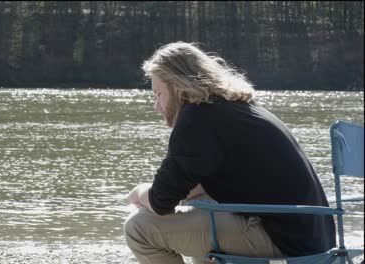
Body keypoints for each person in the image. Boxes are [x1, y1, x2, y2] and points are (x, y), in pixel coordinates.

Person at [124, 42, 336, 264]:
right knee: (195, 203)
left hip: (283, 240)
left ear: (178, 87)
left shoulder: (196, 118)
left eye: (158, 94)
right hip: (311, 236)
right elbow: (190, 189)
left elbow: (160, 201)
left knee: (137, 228)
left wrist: (138, 193)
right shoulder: (236, 108)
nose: (157, 105)